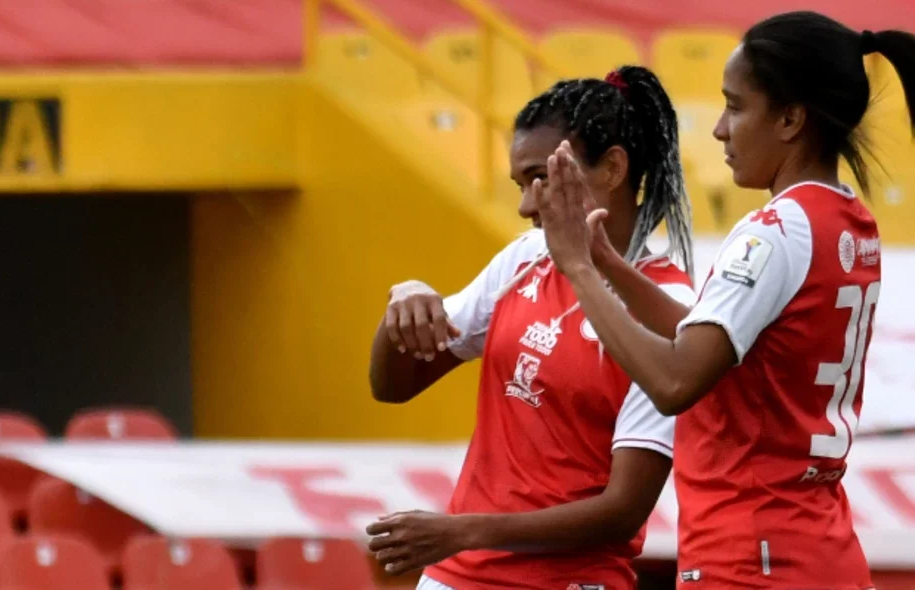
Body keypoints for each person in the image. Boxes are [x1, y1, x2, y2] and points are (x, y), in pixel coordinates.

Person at [535, 11, 915, 589]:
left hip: (753, 559)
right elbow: (710, 343)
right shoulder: (848, 221)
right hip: (819, 550)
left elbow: (675, 382)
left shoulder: (774, 230)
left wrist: (579, 271)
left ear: (790, 118)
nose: (719, 129)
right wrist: (611, 266)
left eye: (735, 107)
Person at [363, 66, 695, 590]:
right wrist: (401, 306)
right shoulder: (525, 259)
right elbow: (393, 386)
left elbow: (623, 510)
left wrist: (463, 532)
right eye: (520, 184)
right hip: (455, 579)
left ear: (612, 168)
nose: (525, 206)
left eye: (541, 177)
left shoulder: (669, 306)